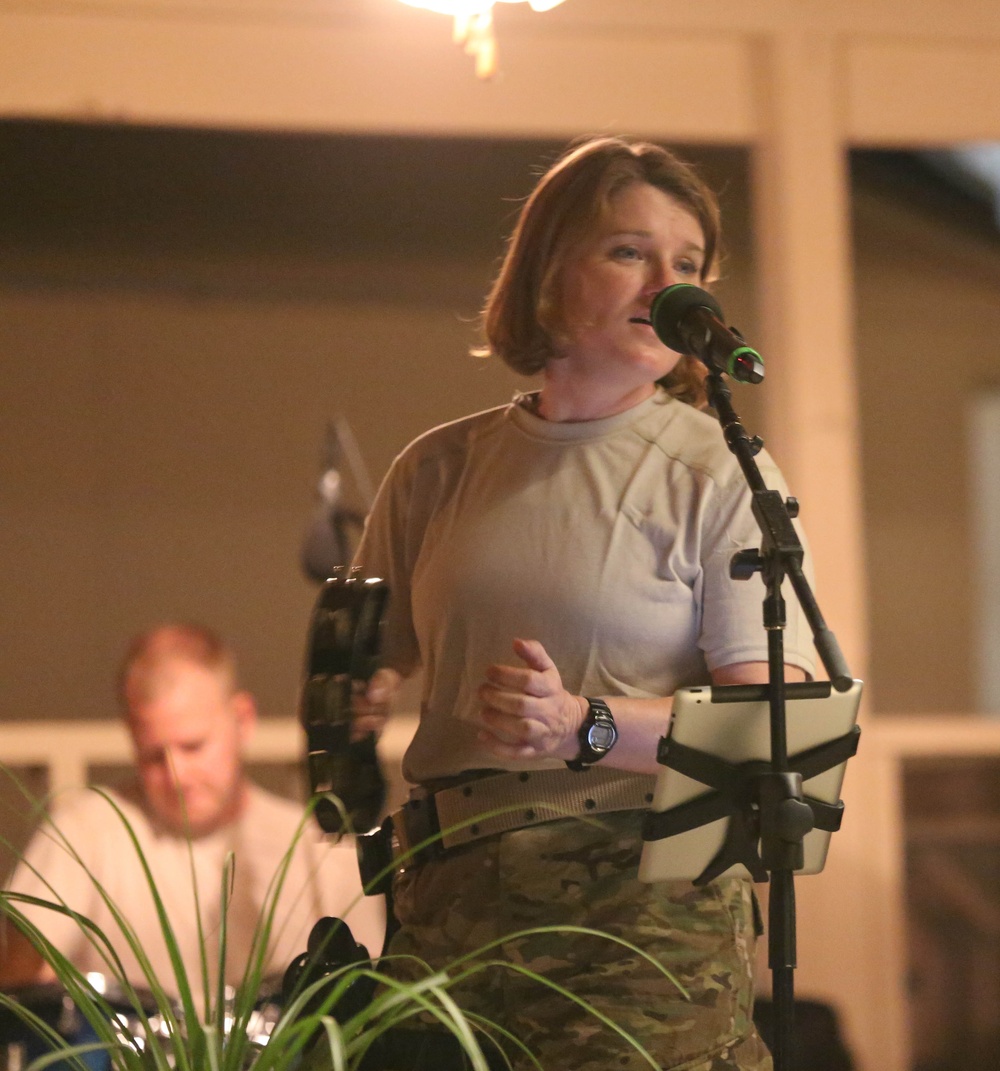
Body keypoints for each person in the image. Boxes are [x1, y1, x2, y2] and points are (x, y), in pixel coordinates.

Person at [349, 136, 817, 1070]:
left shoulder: (718, 468)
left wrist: (585, 725)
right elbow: (364, 666)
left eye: (687, 265)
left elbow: (774, 725)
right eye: (629, 251)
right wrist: (346, 704)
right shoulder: (437, 469)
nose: (666, 286)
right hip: (449, 916)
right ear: (548, 274)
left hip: (640, 935)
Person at [0, 623, 385, 1012]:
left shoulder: (320, 847)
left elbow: (370, 1007)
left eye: (193, 746)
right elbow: (23, 995)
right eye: (152, 755)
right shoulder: (83, 830)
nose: (176, 774)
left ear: (243, 719)